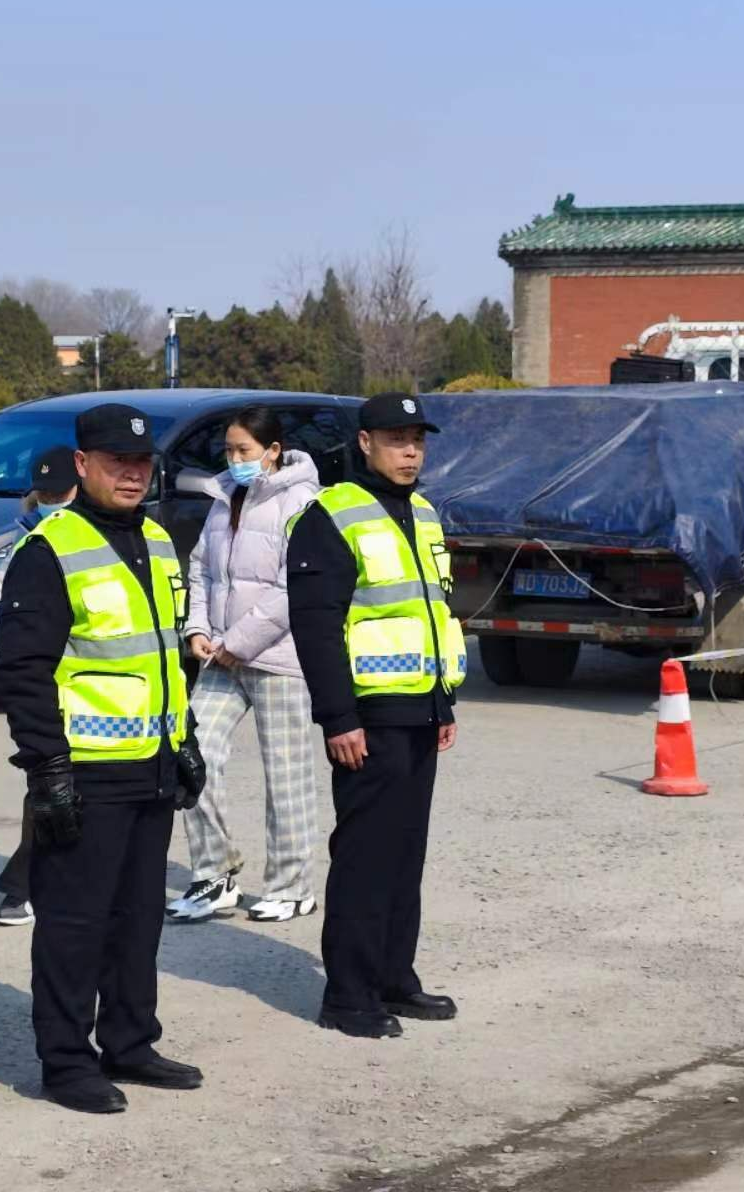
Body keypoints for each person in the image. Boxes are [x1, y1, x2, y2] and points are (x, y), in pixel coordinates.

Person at [0, 403, 208, 1114]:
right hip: (85, 770)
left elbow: (165, 654)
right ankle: (65, 1062)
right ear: (83, 465)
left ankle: (129, 1041)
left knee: (138, 918)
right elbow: (24, 671)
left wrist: (185, 737)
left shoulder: (157, 539)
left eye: (142, 463)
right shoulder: (49, 550)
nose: (132, 474)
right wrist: (47, 770)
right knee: (75, 923)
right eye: (118, 462)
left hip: (152, 762)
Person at [286, 392, 467, 1040]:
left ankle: (394, 977)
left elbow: (433, 611)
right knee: (365, 857)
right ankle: (349, 996)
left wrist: (442, 703)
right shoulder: (332, 515)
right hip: (368, 716)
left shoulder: (422, 512)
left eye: (417, 440)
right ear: (365, 443)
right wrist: (338, 718)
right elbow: (316, 626)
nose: (410, 452)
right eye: (396, 440)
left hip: (419, 707)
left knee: (404, 855)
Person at [169, 407, 322, 924]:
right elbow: (200, 569)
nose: (235, 460)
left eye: (245, 451)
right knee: (192, 754)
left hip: (278, 656)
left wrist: (239, 641)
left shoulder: (302, 501)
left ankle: (291, 886)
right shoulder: (222, 499)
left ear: (273, 451)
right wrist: (197, 628)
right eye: (229, 450)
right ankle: (214, 875)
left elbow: (294, 584)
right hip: (220, 657)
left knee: (286, 776)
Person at [0, 443, 78, 928]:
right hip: (42, 688)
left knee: (71, 790)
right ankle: (25, 887)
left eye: (60, 494)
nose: (52, 503)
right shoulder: (27, 542)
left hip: (90, 689)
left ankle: (32, 884)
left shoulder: (94, 538)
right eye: (45, 495)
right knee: (47, 784)